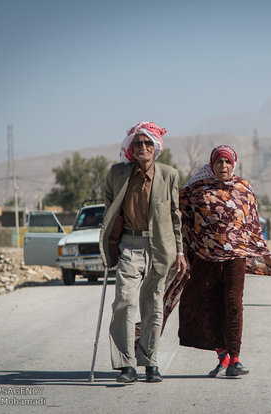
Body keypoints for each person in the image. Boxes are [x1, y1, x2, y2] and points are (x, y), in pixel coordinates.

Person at [178, 145, 271, 378]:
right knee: (209, 305)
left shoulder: (244, 188)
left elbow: (253, 224)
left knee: (234, 302)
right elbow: (176, 213)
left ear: (234, 164)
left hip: (236, 256)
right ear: (211, 165)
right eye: (219, 162)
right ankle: (222, 355)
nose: (223, 166)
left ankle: (235, 359)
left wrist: (266, 253)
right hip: (205, 257)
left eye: (227, 162)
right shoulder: (196, 190)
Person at [99, 121, 187, 383]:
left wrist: (180, 252)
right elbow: (108, 211)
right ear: (131, 148)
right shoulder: (117, 174)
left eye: (148, 143)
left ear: (156, 147)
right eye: (138, 143)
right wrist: (108, 245)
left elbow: (175, 216)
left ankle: (150, 363)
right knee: (124, 303)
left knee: (153, 308)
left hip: (160, 248)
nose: (143, 147)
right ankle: (126, 365)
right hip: (129, 245)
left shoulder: (168, 174)